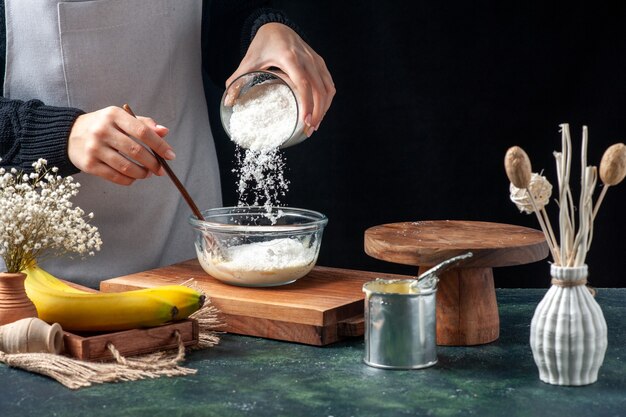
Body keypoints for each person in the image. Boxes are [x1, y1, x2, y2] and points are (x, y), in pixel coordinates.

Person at [0, 0, 335, 286]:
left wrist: (264, 29)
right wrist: (63, 133)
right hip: (35, 276)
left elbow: (227, 20)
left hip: (185, 254)